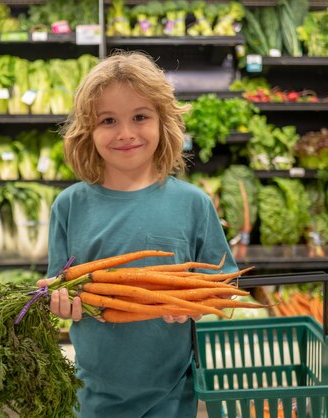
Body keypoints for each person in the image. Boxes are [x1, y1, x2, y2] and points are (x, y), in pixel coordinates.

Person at [39, 51, 238, 418]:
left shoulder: (193, 203)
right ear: (88, 130)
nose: (126, 133)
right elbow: (61, 287)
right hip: (93, 393)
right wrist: (59, 300)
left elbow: (223, 287)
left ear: (164, 122)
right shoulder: (68, 206)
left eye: (140, 117)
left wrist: (192, 304)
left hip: (173, 394)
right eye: (108, 120)